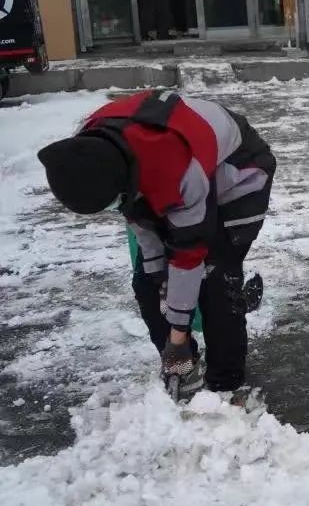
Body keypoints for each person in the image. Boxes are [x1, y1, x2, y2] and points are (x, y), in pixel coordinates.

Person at [37, 91, 276, 396]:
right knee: (146, 283)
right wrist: (160, 280)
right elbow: (140, 220)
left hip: (237, 172)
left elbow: (189, 254)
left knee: (215, 279)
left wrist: (178, 329)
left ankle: (224, 384)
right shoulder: (89, 151)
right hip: (167, 169)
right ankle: (182, 367)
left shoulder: (175, 168)